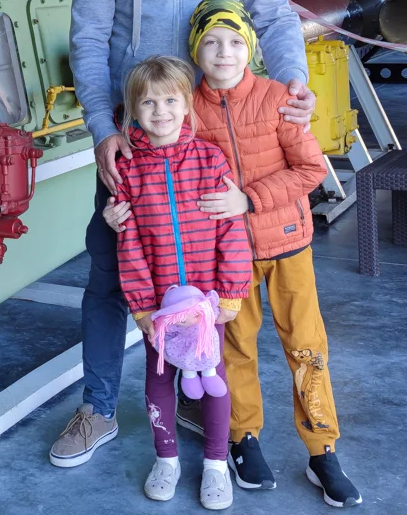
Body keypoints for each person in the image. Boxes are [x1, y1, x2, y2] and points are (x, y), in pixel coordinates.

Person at [53, 0, 316, 468]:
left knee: (209, 271)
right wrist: (102, 129)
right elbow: (87, 40)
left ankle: (201, 392)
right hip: (133, 142)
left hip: (215, 139)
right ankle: (100, 408)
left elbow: (276, 16)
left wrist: (290, 91)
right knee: (113, 277)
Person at [104, 0, 362, 508]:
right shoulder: (183, 104)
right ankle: (243, 442)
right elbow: (147, 140)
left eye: (237, 41)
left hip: (286, 241)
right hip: (220, 261)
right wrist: (122, 204)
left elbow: (311, 171)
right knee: (233, 351)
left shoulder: (277, 98)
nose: (225, 53)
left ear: (252, 47)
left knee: (306, 345)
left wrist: (250, 199)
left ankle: (322, 449)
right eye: (212, 42)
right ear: (195, 50)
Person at [112, 55, 250, 509]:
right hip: (160, 307)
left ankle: (215, 464)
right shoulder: (129, 171)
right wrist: (142, 307)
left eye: (170, 100)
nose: (160, 111)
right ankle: (166, 458)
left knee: (214, 376)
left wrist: (231, 293)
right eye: (148, 103)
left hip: (208, 301)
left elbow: (231, 230)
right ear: (133, 110)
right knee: (158, 380)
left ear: (187, 105)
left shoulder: (210, 159)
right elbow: (129, 247)